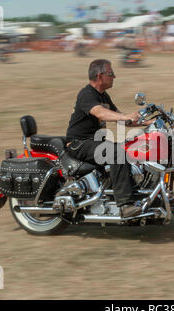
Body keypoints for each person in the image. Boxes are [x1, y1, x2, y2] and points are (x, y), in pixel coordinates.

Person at [66, 59, 152, 218]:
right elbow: (99, 113)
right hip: (79, 143)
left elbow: (121, 118)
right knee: (116, 152)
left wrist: (151, 122)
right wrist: (125, 116)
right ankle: (125, 205)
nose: (114, 76)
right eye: (111, 73)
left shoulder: (103, 95)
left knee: (131, 148)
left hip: (96, 142)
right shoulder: (86, 94)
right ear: (99, 76)